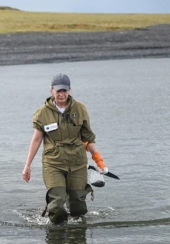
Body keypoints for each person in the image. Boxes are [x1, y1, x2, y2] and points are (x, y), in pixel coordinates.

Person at [21, 73, 109, 223]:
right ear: (51, 91)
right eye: (58, 91)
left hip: (77, 163)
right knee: (58, 203)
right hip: (53, 163)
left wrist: (98, 161)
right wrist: (27, 165)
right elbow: (36, 139)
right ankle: (56, 236)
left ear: (69, 90)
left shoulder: (80, 109)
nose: (61, 94)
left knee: (78, 207)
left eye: (64, 91)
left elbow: (88, 138)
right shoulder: (43, 113)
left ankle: (77, 240)